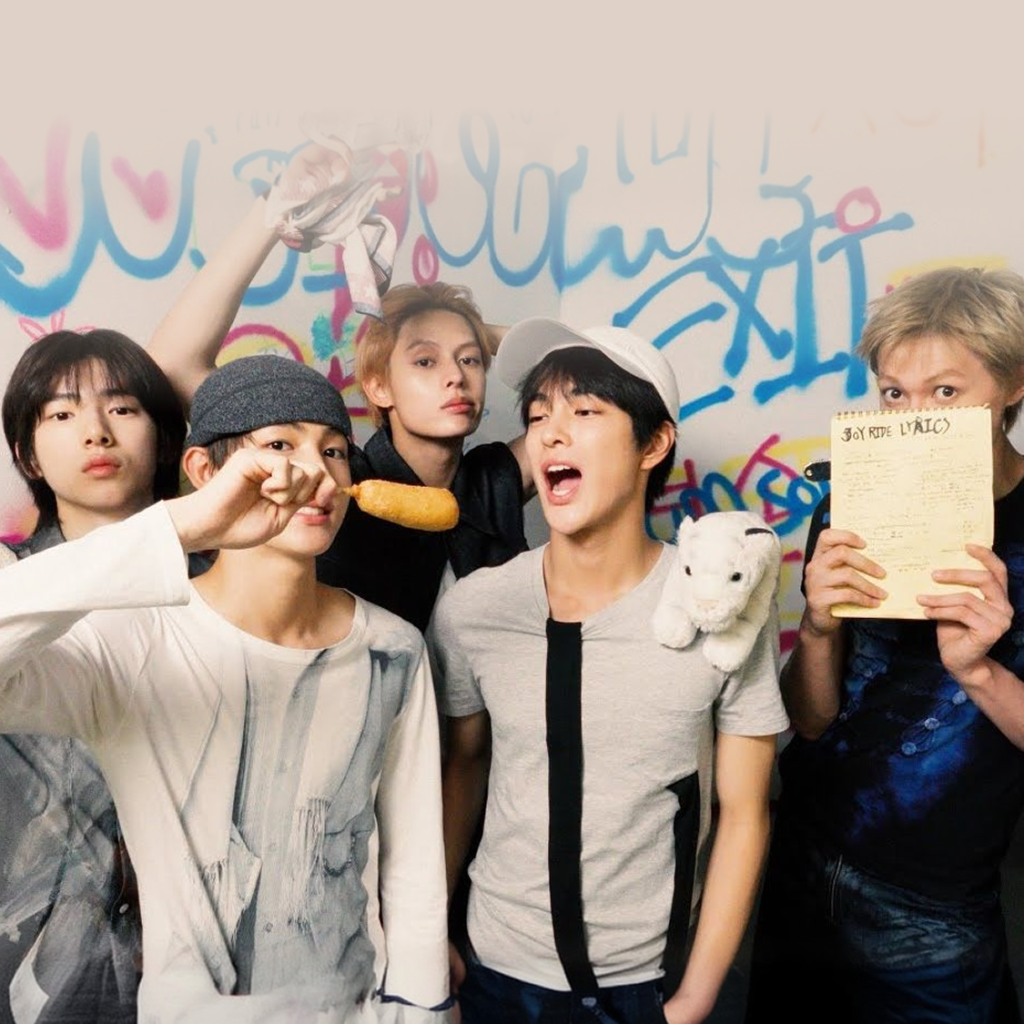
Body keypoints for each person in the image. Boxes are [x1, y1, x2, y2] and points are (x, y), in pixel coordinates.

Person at [0, 354, 450, 1023]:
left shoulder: (393, 649)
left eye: (333, 451)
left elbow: (414, 868)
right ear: (205, 472)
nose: (315, 471)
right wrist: (182, 525)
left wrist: (424, 1010)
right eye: (279, 447)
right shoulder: (130, 643)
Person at [432, 318, 790, 1024]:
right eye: (539, 416)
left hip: (647, 985)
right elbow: (464, 766)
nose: (550, 435)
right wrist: (429, 926)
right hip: (492, 970)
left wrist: (696, 997)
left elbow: (747, 811)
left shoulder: (718, 607)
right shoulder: (475, 608)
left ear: (653, 444)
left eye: (585, 412)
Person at [744, 266, 1024, 1024]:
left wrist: (978, 671)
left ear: (1013, 386)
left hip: (935, 908)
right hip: (804, 861)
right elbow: (809, 721)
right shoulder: (848, 507)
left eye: (945, 391)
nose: (914, 417)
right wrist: (819, 626)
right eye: (894, 394)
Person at [148, 142, 531, 634]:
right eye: (425, 360)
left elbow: (606, 377)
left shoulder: (494, 481)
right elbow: (172, 363)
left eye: (469, 360)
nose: (455, 376)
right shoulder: (326, 479)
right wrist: (275, 210)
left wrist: (478, 331)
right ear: (378, 387)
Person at [0, 328, 185, 1024]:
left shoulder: (229, 586)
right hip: (36, 946)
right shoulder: (12, 584)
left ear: (164, 440)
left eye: (123, 408)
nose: (96, 432)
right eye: (61, 413)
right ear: (27, 454)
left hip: (203, 939)